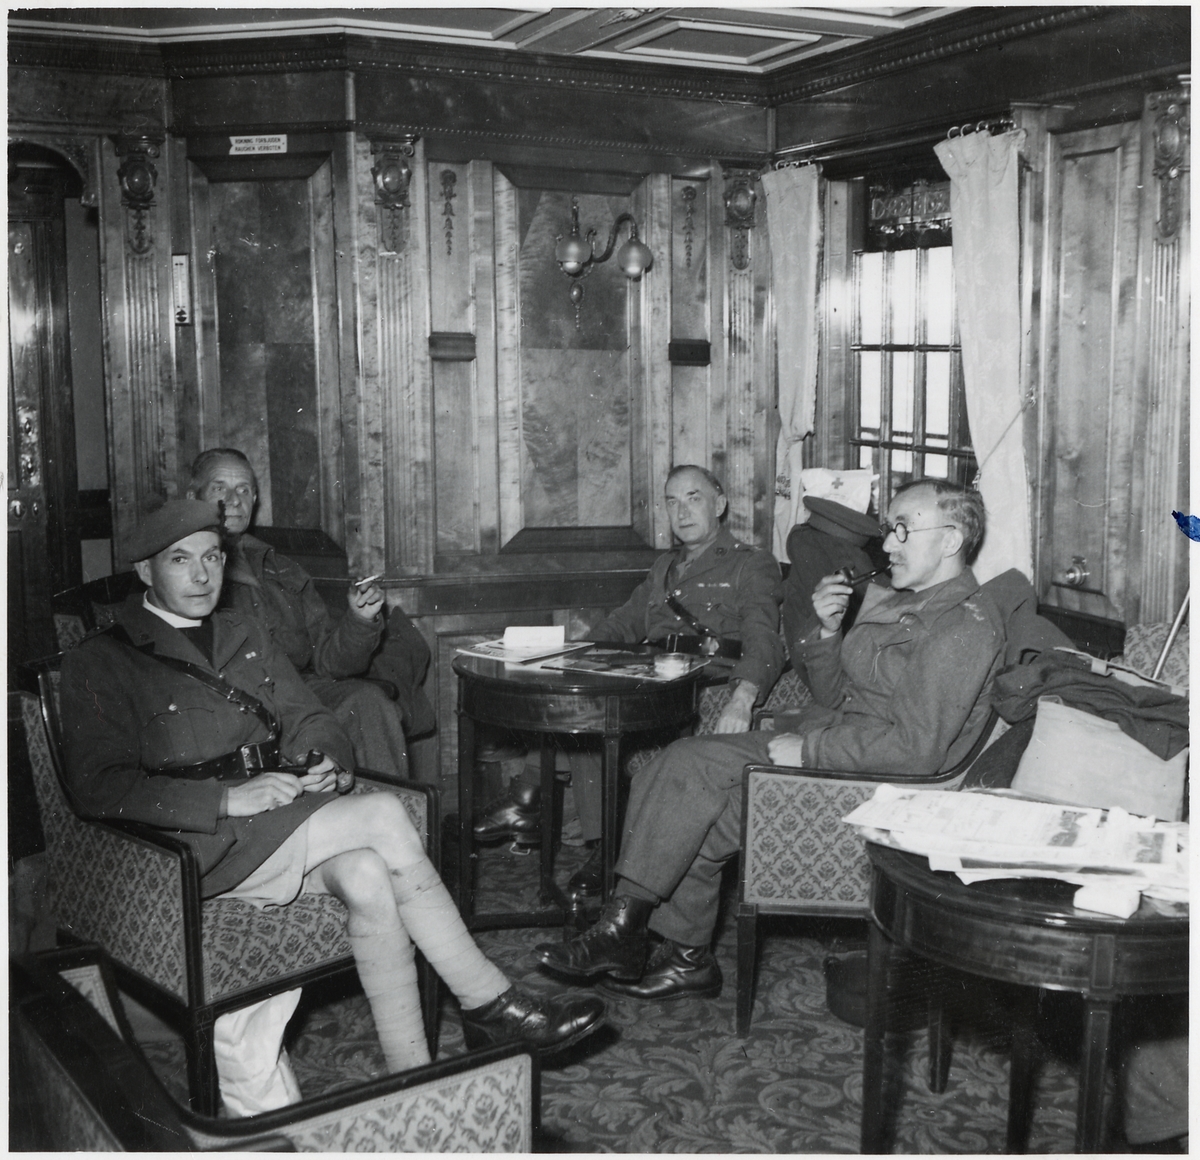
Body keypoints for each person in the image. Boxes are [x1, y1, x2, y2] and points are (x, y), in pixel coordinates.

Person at [59, 500, 604, 1115]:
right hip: (191, 848)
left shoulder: (245, 632)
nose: (203, 575)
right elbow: (98, 786)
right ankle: (487, 1001)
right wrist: (226, 797)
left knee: (369, 875)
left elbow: (311, 715)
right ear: (145, 571)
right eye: (181, 561)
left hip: (270, 827)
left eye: (212, 557)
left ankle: (413, 1083)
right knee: (384, 816)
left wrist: (325, 757)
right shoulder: (103, 658)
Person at [535, 479, 1004, 1000]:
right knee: (687, 797)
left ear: (951, 539)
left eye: (903, 530)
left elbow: (915, 752)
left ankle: (621, 929)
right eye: (889, 528)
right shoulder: (903, 600)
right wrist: (828, 633)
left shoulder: (962, 626)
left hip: (870, 779)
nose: (889, 543)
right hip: (836, 741)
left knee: (685, 763)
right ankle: (685, 956)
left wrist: (810, 750)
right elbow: (837, 696)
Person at [473, 464, 784, 900]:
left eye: (693, 498)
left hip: (703, 688)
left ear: (719, 504)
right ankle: (594, 839)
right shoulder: (664, 567)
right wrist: (574, 655)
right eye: (672, 501)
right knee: (583, 702)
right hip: (653, 679)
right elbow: (624, 622)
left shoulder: (750, 563)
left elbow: (764, 639)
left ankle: (534, 799)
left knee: (596, 716)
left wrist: (743, 697)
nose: (682, 512)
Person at [186, 448, 433, 781]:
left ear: (255, 500)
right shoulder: (185, 573)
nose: (233, 499)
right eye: (220, 488)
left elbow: (329, 662)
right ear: (194, 496)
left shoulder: (282, 570)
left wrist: (360, 621)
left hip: (297, 692)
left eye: (243, 489)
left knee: (367, 701)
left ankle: (386, 810)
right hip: (231, 701)